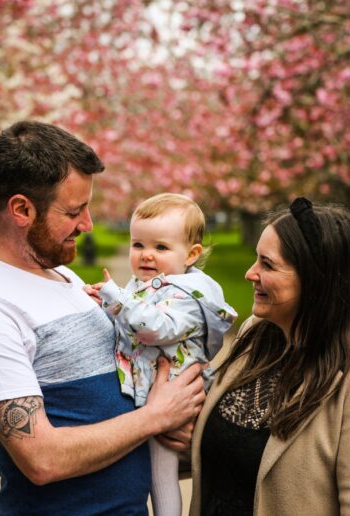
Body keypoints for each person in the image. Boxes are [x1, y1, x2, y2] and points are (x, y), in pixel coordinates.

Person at [0, 121, 205, 516]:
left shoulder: (62, 275)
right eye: (74, 211)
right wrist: (155, 418)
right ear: (21, 209)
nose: (88, 225)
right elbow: (42, 460)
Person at [189, 197, 350, 516]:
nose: (250, 274)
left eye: (268, 264)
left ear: (316, 280)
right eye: (256, 260)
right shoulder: (256, 335)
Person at [85, 193, 237, 516]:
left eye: (161, 248)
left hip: (174, 396)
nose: (146, 256)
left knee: (162, 475)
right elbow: (126, 320)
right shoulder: (149, 285)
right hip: (152, 391)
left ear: (192, 254)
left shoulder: (189, 296)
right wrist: (102, 300)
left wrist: (118, 300)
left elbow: (155, 328)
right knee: (146, 473)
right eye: (138, 245)